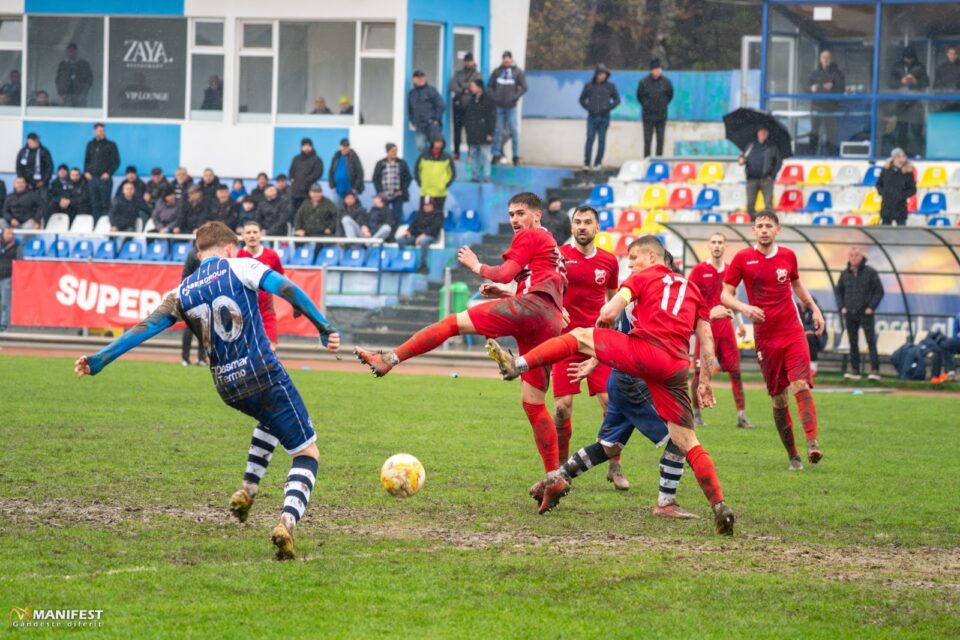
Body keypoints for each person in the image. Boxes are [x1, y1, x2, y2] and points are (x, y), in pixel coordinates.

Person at [74, 221, 340, 561]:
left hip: (227, 387)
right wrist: (323, 326)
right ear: (231, 248)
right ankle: (287, 522)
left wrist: (98, 360)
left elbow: (143, 328)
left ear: (199, 254)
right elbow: (286, 288)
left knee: (270, 420)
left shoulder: (180, 292)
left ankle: (249, 489)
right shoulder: (242, 265)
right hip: (262, 373)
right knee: (307, 453)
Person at [486, 235, 736, 534]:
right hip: (675, 367)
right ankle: (719, 505)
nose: (631, 264)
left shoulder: (641, 279)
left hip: (641, 357)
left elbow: (607, 312)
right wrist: (704, 383)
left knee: (579, 334)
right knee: (686, 440)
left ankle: (519, 364)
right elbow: (707, 343)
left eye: (635, 258)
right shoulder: (692, 289)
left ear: (653, 258)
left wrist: (599, 339)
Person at [356, 193, 568, 492]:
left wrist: (476, 265)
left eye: (521, 213)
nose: (515, 220)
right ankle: (554, 477)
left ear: (537, 215)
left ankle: (388, 359)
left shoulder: (531, 235)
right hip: (547, 320)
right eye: (511, 215)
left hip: (531, 309)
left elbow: (505, 272)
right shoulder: (551, 244)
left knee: (452, 323)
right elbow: (541, 285)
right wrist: (506, 294)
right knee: (534, 404)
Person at [545, 245, 698, 519]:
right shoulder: (652, 296)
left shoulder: (640, 293)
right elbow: (613, 324)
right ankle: (666, 502)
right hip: (636, 382)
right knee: (680, 438)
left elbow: (611, 332)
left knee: (609, 446)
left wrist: (593, 361)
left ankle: (556, 477)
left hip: (621, 378)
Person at [721, 211, 825, 472]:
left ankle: (812, 442)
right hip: (765, 338)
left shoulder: (788, 256)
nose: (764, 229)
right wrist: (744, 308)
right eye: (760, 226)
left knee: (800, 383)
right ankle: (793, 455)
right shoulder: (743, 259)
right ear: (753, 231)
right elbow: (726, 295)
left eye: (769, 225)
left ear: (777, 230)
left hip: (792, 330)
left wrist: (814, 308)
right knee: (779, 400)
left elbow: (797, 285)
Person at [552, 206, 627, 489]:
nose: (582, 227)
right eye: (577, 222)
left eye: (588, 222)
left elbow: (612, 300)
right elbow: (547, 290)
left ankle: (615, 467)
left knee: (611, 405)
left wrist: (615, 333)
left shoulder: (608, 261)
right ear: (572, 227)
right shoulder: (558, 256)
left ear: (597, 228)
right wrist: (557, 310)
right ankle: (559, 471)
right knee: (562, 409)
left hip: (597, 343)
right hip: (566, 342)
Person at [687, 232, 753, 429]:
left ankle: (741, 415)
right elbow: (690, 298)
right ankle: (696, 413)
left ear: (725, 246)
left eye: (720, 242)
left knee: (736, 373)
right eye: (713, 242)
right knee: (699, 373)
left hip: (726, 330)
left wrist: (740, 323)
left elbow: (731, 298)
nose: (716, 245)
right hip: (705, 329)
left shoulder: (731, 271)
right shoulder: (699, 270)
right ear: (709, 246)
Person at [237, 219, 287, 350]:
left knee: (271, 349)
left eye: (255, 232)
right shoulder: (238, 257)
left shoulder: (272, 256)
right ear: (243, 236)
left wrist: (293, 301)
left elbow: (282, 279)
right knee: (247, 351)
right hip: (246, 311)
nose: (252, 235)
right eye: (248, 232)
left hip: (266, 311)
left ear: (260, 234)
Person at [835, 246, 884, 381]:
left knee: (871, 341)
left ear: (862, 257)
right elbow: (838, 291)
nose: (853, 258)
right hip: (850, 313)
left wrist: (871, 307)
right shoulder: (844, 274)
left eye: (856, 255)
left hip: (865, 313)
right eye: (851, 255)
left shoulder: (870, 273)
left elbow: (879, 291)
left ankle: (875, 370)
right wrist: (842, 307)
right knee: (853, 342)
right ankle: (854, 370)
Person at [488, 51, 527, 166]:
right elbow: (489, 87)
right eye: (504, 59)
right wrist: (495, 97)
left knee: (514, 131)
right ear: (502, 60)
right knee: (497, 130)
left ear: (511, 59)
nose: (506, 61)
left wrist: (515, 97)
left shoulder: (518, 72)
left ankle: (515, 156)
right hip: (499, 106)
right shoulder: (497, 72)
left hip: (511, 107)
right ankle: (496, 155)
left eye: (508, 59)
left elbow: (524, 87)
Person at [889, 46, 929, 157]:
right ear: (903, 57)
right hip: (901, 102)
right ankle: (899, 154)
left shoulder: (919, 67)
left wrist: (916, 82)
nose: (909, 61)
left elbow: (926, 83)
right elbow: (891, 83)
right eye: (907, 58)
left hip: (915, 102)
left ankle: (919, 153)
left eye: (911, 59)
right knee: (901, 130)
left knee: (916, 129)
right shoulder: (897, 66)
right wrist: (901, 81)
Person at [579, 63, 621, 170]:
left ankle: (598, 162)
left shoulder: (610, 86)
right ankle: (587, 163)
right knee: (590, 139)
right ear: (597, 74)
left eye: (605, 74)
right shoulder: (589, 85)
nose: (603, 76)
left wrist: (608, 107)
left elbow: (617, 100)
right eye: (601, 73)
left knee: (601, 140)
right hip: (592, 117)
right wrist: (589, 107)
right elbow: (582, 99)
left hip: (604, 117)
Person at [738, 126, 782, 219]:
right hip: (751, 179)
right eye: (761, 131)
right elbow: (742, 158)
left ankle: (769, 223)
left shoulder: (772, 147)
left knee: (768, 204)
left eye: (765, 132)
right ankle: (753, 223)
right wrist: (741, 160)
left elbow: (778, 162)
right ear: (757, 133)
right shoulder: (750, 146)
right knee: (750, 204)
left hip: (766, 179)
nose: (763, 133)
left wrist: (772, 175)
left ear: (767, 134)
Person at [808, 49, 845, 155]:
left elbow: (840, 89)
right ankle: (811, 154)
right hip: (816, 107)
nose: (825, 60)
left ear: (831, 59)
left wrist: (820, 87)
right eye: (823, 57)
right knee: (814, 132)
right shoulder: (814, 73)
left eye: (828, 57)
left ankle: (831, 154)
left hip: (831, 107)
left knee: (831, 133)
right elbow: (806, 87)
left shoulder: (837, 74)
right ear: (820, 59)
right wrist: (814, 88)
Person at [636, 59, 674, 158]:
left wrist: (663, 104)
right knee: (647, 139)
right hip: (648, 116)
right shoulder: (644, 82)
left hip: (661, 115)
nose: (658, 71)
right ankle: (647, 159)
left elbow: (670, 95)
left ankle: (659, 159)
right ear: (651, 70)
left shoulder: (666, 82)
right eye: (656, 69)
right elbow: (639, 96)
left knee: (660, 139)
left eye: (659, 69)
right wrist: (647, 105)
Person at [372, 143, 413, 230]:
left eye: (396, 150)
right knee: (383, 215)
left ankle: (397, 234)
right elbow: (375, 179)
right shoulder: (380, 163)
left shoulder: (402, 163)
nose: (395, 152)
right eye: (392, 151)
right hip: (384, 195)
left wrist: (402, 190)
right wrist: (380, 192)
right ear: (387, 152)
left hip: (397, 194)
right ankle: (385, 233)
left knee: (397, 215)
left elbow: (408, 178)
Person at [396, 197, 442, 274]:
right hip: (416, 236)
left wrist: (423, 235)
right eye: (425, 205)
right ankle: (402, 260)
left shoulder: (438, 214)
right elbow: (413, 224)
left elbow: (435, 228)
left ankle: (423, 265)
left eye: (428, 205)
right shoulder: (419, 214)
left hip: (431, 236)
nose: (426, 207)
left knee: (424, 241)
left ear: (432, 206)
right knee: (401, 239)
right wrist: (408, 231)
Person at [83, 123, 120, 218]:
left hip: (104, 180)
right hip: (92, 179)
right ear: (94, 131)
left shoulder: (111, 145)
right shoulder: (90, 145)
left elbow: (116, 162)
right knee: (94, 204)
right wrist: (86, 172)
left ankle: (104, 226)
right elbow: (87, 160)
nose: (102, 132)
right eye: (99, 131)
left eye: (103, 130)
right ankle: (95, 227)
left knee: (105, 204)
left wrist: (109, 173)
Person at [463, 78, 496, 183]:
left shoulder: (488, 100)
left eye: (473, 86)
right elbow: (468, 116)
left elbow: (492, 117)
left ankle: (486, 176)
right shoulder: (471, 100)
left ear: (479, 87)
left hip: (484, 132)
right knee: (474, 155)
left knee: (485, 155)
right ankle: (475, 175)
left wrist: (490, 132)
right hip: (473, 132)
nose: (471, 88)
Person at [450, 53, 482, 159]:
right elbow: (453, 86)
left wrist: (464, 87)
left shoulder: (477, 74)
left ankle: (470, 154)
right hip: (458, 105)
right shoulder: (458, 73)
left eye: (470, 61)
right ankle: (456, 152)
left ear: (473, 61)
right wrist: (465, 89)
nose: (468, 63)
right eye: (466, 61)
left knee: (470, 130)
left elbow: (477, 87)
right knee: (457, 130)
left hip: (471, 106)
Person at [179, 241, 205, 367]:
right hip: (193, 295)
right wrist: (186, 292)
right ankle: (185, 358)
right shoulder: (193, 253)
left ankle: (202, 358)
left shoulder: (205, 251)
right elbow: (185, 274)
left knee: (204, 329)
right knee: (190, 327)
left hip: (205, 295)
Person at [875, 147, 916, 226]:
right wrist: (884, 193)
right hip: (887, 206)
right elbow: (879, 184)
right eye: (898, 157)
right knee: (885, 230)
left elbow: (912, 189)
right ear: (893, 158)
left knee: (901, 230)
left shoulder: (908, 172)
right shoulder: (886, 170)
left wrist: (902, 195)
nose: (901, 159)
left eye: (902, 156)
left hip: (900, 206)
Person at [414, 136, 456, 211]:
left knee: (438, 215)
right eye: (437, 141)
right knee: (424, 215)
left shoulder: (447, 157)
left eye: (441, 142)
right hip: (426, 192)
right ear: (433, 142)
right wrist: (420, 183)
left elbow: (453, 173)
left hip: (440, 192)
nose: (439, 144)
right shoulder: (423, 155)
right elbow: (416, 170)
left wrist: (446, 185)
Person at [408, 70, 445, 153]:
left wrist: (436, 119)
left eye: (422, 77)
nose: (420, 79)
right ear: (414, 80)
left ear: (425, 78)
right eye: (417, 78)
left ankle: (435, 161)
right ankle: (428, 160)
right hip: (419, 126)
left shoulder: (431, 90)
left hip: (431, 124)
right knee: (420, 145)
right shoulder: (412, 93)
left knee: (436, 146)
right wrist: (412, 121)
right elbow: (410, 109)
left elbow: (441, 105)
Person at [288, 138, 324, 215]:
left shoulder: (316, 159)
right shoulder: (296, 158)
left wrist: (307, 181)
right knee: (295, 212)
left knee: (308, 211)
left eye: (308, 146)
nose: (306, 148)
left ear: (312, 147)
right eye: (304, 146)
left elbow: (318, 173)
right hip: (296, 191)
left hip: (309, 191)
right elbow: (291, 171)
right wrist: (291, 179)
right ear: (301, 147)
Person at [328, 139, 364, 206]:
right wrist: (332, 185)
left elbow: (360, 173)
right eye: (343, 146)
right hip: (338, 190)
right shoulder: (336, 156)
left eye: (347, 147)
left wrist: (355, 188)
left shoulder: (354, 157)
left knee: (352, 209)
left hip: (350, 190)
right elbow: (331, 171)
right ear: (340, 146)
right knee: (337, 210)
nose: (345, 148)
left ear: (349, 147)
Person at [798, 298, 824, 378]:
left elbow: (816, 326)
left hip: (817, 339)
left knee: (810, 337)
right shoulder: (796, 309)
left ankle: (813, 367)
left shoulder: (815, 310)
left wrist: (806, 331)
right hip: (800, 337)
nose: (801, 302)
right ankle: (799, 368)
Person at [0, 227, 18, 329]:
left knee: (5, 302)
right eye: (8, 234)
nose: (10, 236)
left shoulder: (16, 246)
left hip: (7, 276)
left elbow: (19, 261)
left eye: (11, 234)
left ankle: (3, 323)